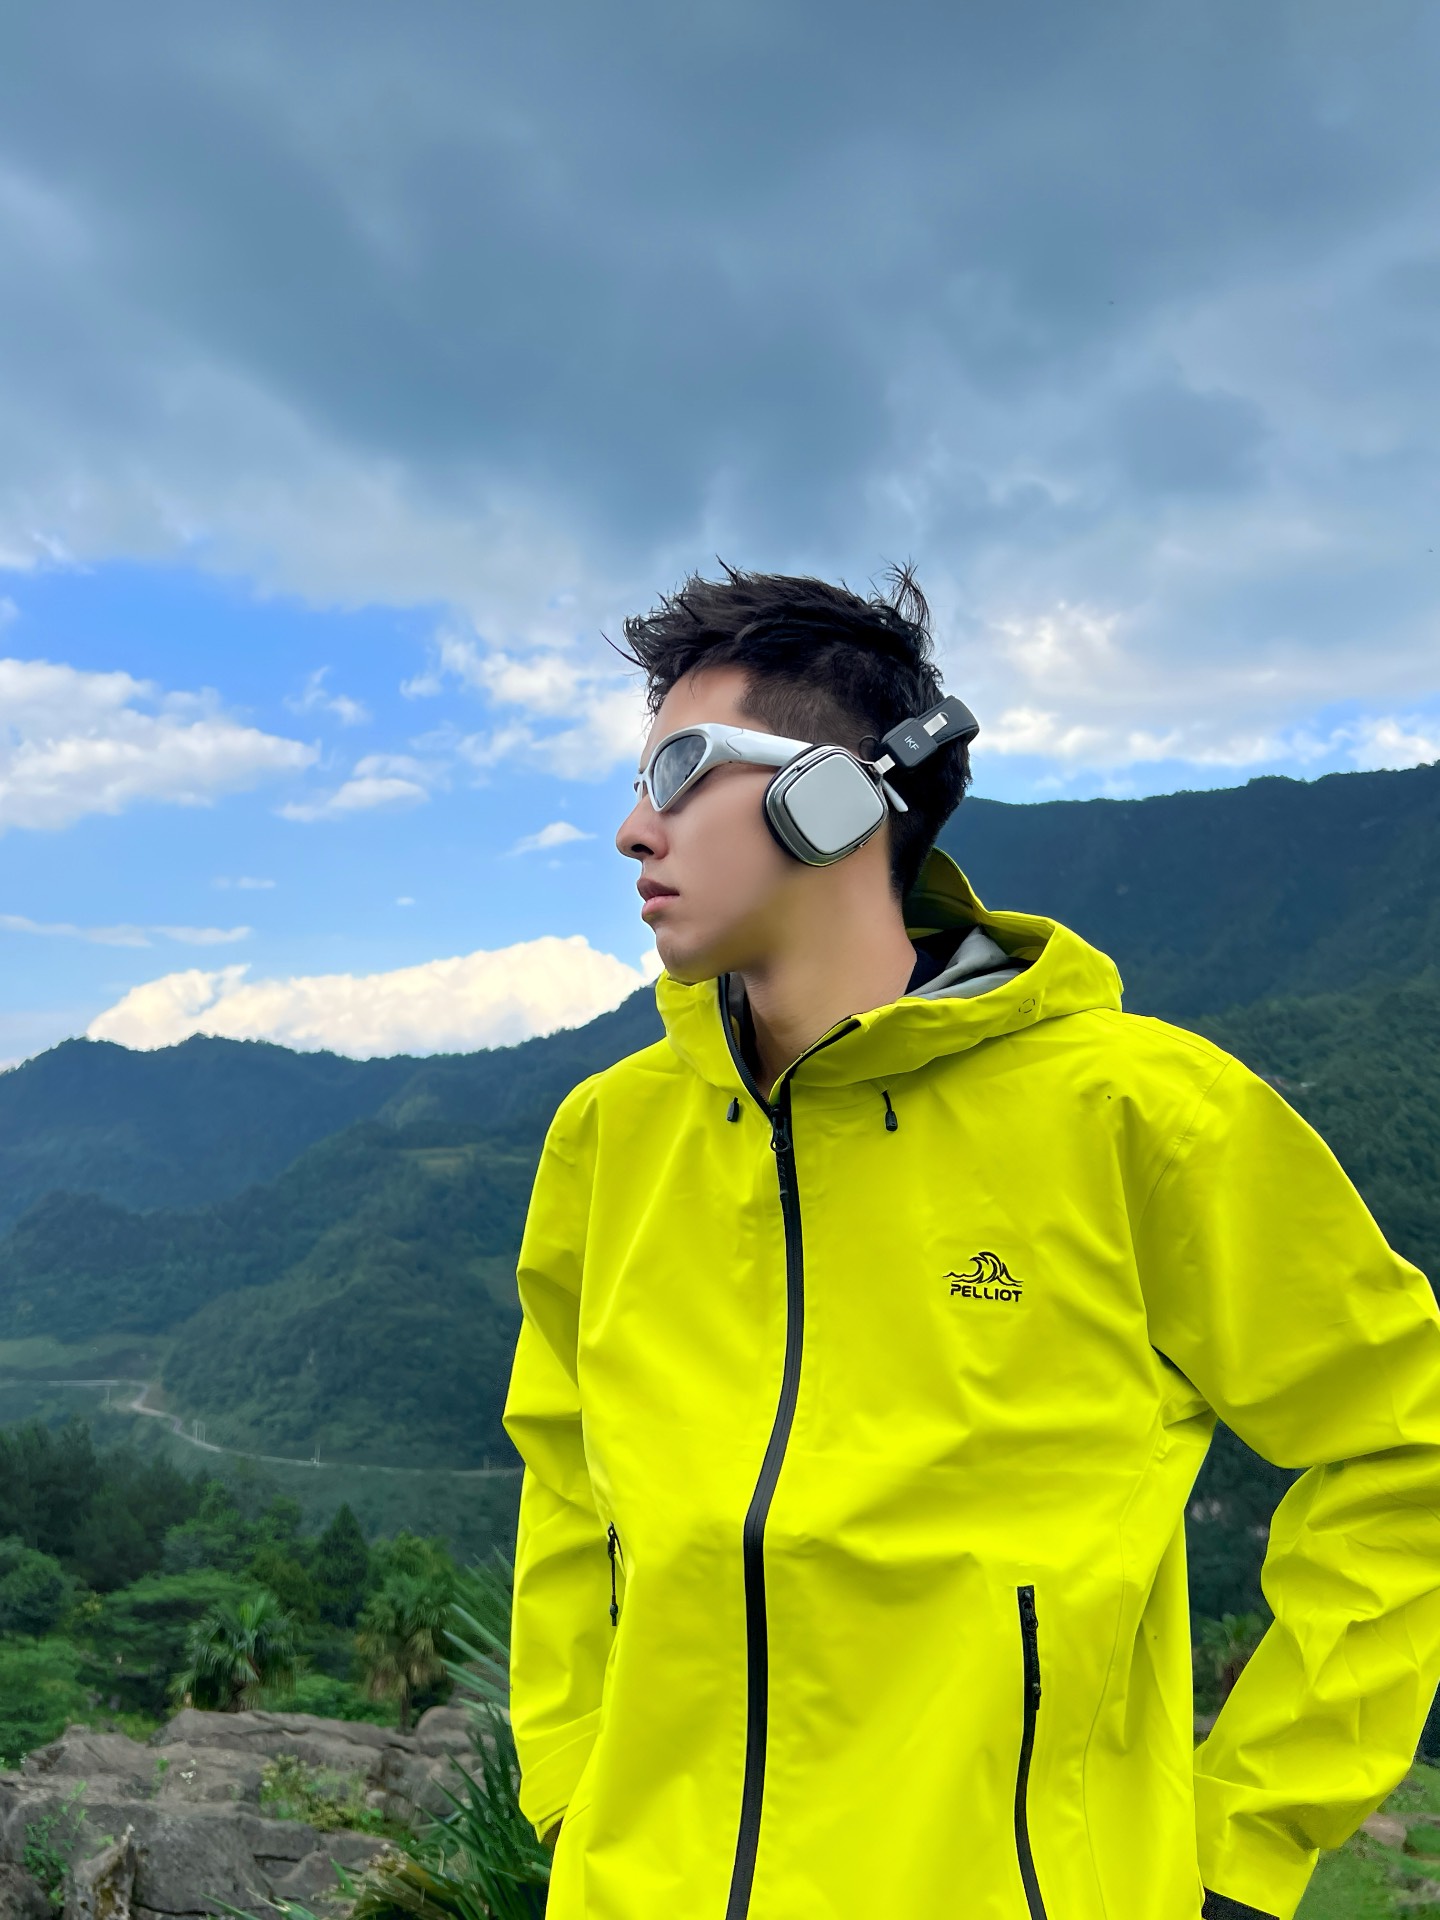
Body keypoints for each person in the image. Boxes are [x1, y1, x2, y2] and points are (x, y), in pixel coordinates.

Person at [501, 566, 1440, 1920]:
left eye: (682, 771)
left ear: (831, 797)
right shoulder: (610, 1137)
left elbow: (1406, 1451)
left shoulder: (1143, 1116)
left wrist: (1246, 1841)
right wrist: (575, 1789)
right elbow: (563, 1479)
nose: (633, 830)